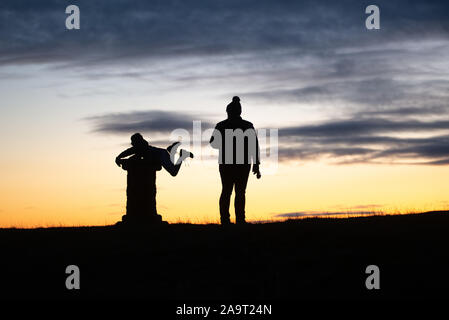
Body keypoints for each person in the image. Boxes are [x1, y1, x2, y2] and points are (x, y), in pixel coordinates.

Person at [115, 133, 193, 225]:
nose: (132, 144)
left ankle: (182, 156)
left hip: (161, 155)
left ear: (137, 142)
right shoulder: (140, 147)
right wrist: (119, 157)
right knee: (172, 171)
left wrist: (119, 158)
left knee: (173, 172)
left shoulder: (140, 147)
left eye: (133, 142)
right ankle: (171, 150)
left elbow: (130, 152)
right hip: (161, 154)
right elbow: (131, 153)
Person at [210, 96, 261, 225]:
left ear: (228, 111)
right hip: (242, 163)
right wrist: (256, 164)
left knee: (226, 190)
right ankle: (240, 220)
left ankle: (225, 220)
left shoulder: (221, 125)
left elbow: (213, 143)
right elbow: (254, 145)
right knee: (240, 191)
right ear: (240, 112)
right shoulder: (247, 125)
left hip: (227, 162)